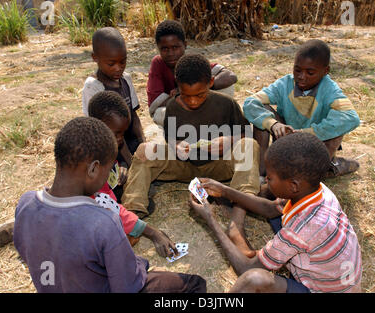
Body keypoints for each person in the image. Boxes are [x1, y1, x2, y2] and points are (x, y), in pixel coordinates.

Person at [13, 116, 206, 293]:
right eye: (108, 170)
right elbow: (128, 286)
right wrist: (141, 265)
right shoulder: (104, 222)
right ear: (94, 169)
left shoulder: (25, 203)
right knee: (195, 284)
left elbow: (27, 252)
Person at [122, 54, 260, 258]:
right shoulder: (172, 107)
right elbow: (170, 139)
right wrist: (177, 146)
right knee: (144, 151)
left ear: (211, 83)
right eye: (186, 95)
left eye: (200, 95)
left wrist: (228, 141)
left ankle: (237, 224)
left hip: (218, 167)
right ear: (177, 87)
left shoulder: (226, 103)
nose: (193, 101)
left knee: (249, 146)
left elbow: (244, 133)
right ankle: (132, 219)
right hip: (183, 166)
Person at [189, 132, 362, 293]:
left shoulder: (303, 227)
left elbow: (247, 268)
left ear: (294, 185)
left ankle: (237, 233)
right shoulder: (319, 190)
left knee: (253, 279)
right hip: (333, 270)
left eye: (270, 177)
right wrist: (225, 190)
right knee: (271, 199)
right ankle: (239, 229)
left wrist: (210, 219)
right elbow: (270, 209)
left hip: (324, 289)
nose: (266, 180)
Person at [243, 39, 360, 178]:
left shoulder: (330, 90)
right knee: (263, 113)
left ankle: (320, 171)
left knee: (337, 129)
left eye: (310, 73)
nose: (301, 77)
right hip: (285, 141)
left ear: (325, 71)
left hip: (313, 146)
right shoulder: (285, 84)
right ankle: (261, 173)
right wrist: (273, 124)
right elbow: (250, 102)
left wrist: (307, 133)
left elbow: (351, 118)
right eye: (297, 70)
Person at [88, 90, 177, 257]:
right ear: (96, 124)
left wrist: (120, 167)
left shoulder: (103, 148)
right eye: (116, 134)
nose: (121, 139)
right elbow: (104, 202)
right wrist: (151, 232)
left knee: (143, 206)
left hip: (104, 200)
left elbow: (108, 195)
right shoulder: (90, 162)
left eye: (122, 133)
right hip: (91, 213)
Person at [147, 19, 238, 126]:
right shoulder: (158, 63)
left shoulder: (191, 59)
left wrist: (197, 90)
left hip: (200, 105)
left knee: (227, 88)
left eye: (175, 47)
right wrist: (183, 96)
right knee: (160, 114)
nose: (170, 53)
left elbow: (230, 76)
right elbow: (154, 105)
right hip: (179, 110)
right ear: (158, 48)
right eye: (165, 49)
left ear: (185, 45)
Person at [82, 27, 145, 170]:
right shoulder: (93, 86)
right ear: (95, 58)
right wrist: (130, 161)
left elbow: (134, 117)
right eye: (111, 64)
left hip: (129, 141)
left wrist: (143, 143)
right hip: (108, 146)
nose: (118, 68)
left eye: (122, 62)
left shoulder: (126, 79)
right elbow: (107, 132)